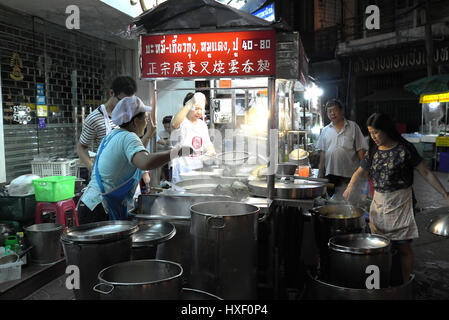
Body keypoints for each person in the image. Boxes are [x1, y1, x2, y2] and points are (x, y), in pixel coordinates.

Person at [343, 112, 449, 284]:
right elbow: (360, 171)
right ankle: (383, 282)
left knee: (403, 247)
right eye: (370, 133)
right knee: (379, 247)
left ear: (386, 130)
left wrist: (445, 194)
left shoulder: (404, 149)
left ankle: (404, 283)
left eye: (376, 132)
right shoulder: (373, 149)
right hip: (378, 203)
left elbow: (426, 172)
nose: (373, 137)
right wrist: (350, 187)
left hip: (401, 203)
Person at [77, 96, 193, 224]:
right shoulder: (129, 137)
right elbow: (145, 161)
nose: (147, 122)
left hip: (90, 205)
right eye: (145, 118)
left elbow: (135, 153)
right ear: (135, 121)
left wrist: (148, 134)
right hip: (99, 208)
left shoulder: (114, 134)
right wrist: (177, 152)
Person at [77, 76, 154, 174]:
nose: (127, 106)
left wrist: (144, 172)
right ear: (112, 93)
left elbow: (136, 148)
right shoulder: (94, 118)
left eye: (130, 101)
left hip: (130, 174)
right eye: (123, 101)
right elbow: (81, 147)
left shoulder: (132, 115)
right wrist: (92, 168)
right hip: (107, 174)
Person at [316, 99, 368, 196]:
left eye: (334, 110)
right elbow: (323, 153)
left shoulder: (353, 127)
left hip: (349, 174)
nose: (332, 113)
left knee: (349, 199)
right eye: (329, 111)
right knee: (331, 198)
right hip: (330, 174)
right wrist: (320, 171)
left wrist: (364, 170)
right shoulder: (325, 130)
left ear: (342, 111)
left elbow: (360, 149)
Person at [170, 92, 216, 183]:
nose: (199, 112)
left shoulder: (202, 124)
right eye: (196, 108)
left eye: (201, 109)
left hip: (198, 168)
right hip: (181, 169)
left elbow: (207, 143)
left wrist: (211, 151)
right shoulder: (182, 121)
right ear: (188, 107)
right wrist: (191, 102)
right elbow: (174, 124)